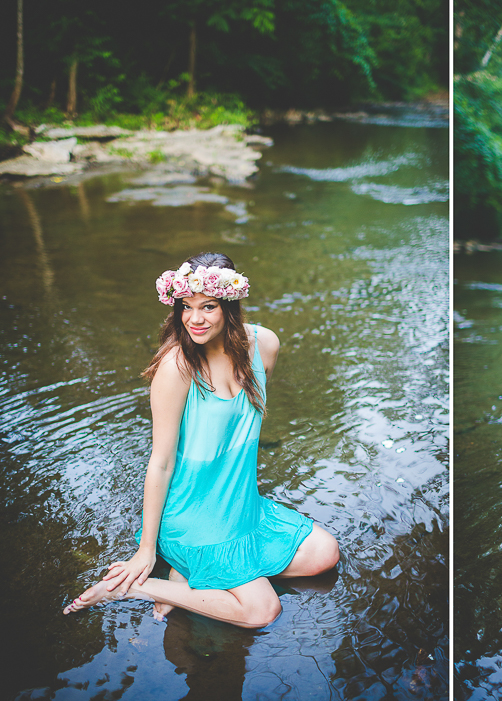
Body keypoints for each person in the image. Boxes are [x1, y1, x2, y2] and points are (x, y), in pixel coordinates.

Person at [64, 252, 339, 628]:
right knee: (263, 610)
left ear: (229, 306)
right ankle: (140, 588)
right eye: (186, 307)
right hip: (192, 514)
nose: (195, 319)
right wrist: (145, 552)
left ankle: (197, 579)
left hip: (240, 505)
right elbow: (160, 462)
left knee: (326, 554)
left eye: (208, 306)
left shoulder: (264, 345)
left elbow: (238, 427)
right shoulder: (177, 368)